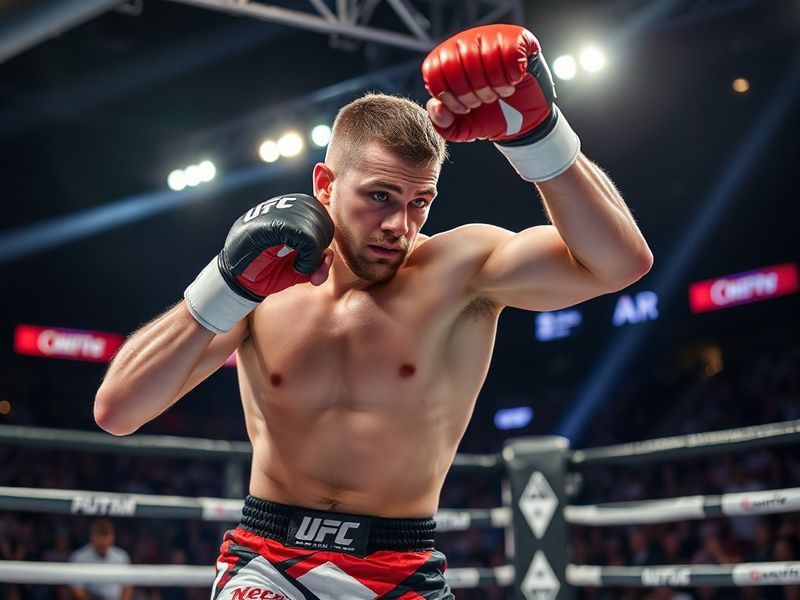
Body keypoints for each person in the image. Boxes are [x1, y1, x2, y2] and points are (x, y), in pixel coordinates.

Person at [95, 24, 652, 599]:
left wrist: (539, 136)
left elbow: (619, 264)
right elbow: (118, 410)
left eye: (420, 202)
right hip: (267, 563)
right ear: (325, 184)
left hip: (401, 569)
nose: (400, 226)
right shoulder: (265, 281)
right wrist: (225, 284)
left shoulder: (461, 269)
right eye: (380, 196)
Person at [69, 519, 132, 600]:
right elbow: (77, 589)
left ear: (112, 538)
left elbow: (128, 587)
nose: (103, 546)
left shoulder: (121, 556)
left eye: (105, 544)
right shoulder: (79, 557)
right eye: (100, 545)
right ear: (92, 538)